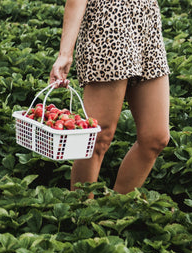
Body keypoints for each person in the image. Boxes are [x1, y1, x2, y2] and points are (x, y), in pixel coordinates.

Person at [49, 0, 171, 194]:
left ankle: (115, 211)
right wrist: (65, 53)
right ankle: (82, 215)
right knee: (98, 137)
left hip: (147, 24)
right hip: (108, 26)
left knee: (156, 137)